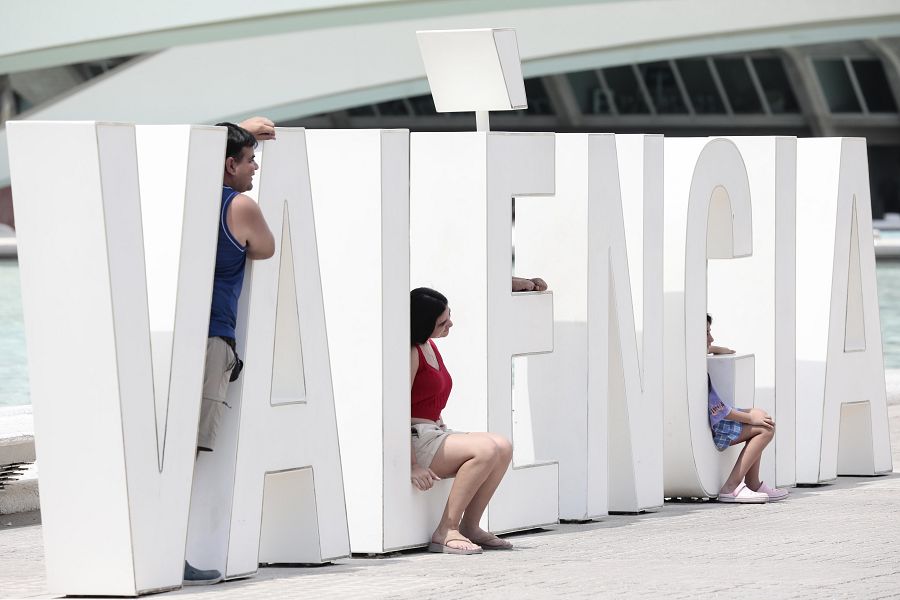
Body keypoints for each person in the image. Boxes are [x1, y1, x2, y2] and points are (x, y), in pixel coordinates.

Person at [185, 120, 276, 585]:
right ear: (229, 163)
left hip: (175, 336)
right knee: (189, 451)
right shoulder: (239, 206)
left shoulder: (184, 193)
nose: (255, 166)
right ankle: (171, 552)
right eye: (249, 158)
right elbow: (266, 248)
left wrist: (241, 126)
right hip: (211, 339)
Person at [409, 288, 514, 554]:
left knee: (502, 446)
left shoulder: (429, 345)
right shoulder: (411, 352)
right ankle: (446, 529)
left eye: (449, 317)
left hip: (434, 431)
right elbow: (399, 409)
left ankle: (470, 526)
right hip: (417, 439)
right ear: (423, 323)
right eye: (442, 322)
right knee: (485, 449)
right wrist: (411, 464)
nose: (450, 324)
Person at [706, 314, 788, 503]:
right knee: (765, 428)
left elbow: (727, 350)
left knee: (760, 413)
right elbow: (718, 411)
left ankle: (753, 483)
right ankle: (731, 487)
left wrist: (709, 346)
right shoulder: (695, 369)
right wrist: (751, 420)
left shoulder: (694, 359)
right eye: (707, 333)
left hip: (718, 417)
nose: (712, 338)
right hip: (716, 424)